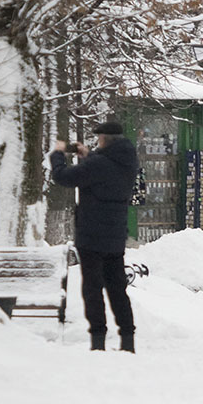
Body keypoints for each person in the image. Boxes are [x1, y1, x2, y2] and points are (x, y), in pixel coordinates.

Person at [49, 121, 140, 353]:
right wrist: (88, 155)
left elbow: (63, 177)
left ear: (103, 140)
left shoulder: (99, 164)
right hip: (115, 235)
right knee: (117, 287)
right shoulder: (126, 161)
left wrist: (58, 154)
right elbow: (103, 170)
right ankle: (127, 339)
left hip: (91, 236)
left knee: (92, 289)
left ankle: (98, 340)